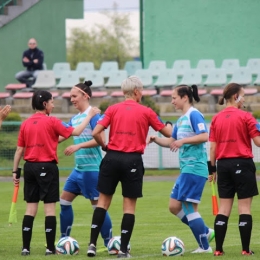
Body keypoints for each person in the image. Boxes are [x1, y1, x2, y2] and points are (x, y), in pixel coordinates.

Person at [86, 76, 172, 258]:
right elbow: (168, 132)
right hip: (132, 160)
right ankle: (123, 251)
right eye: (141, 91)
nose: (142, 93)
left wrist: (105, 146)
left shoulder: (112, 109)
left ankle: (92, 245)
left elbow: (95, 131)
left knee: (102, 203)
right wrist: (173, 126)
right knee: (129, 207)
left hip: (111, 157)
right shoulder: (146, 111)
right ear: (136, 91)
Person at [12, 90, 100, 256]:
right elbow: (76, 131)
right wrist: (90, 116)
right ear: (45, 104)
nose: (53, 105)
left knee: (30, 209)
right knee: (49, 209)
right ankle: (50, 248)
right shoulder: (52, 121)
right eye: (52, 102)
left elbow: (19, 150)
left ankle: (25, 248)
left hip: (29, 168)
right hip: (47, 167)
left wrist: (16, 171)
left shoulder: (25, 123)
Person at [148, 84, 214, 254]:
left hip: (194, 169)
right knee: (174, 206)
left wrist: (183, 141)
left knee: (189, 208)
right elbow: (172, 141)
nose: (172, 101)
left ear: (185, 97)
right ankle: (205, 231)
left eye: (174, 98)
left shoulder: (194, 115)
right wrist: (156, 139)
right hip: (186, 170)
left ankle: (205, 247)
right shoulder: (181, 119)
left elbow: (205, 136)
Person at [59, 81, 112, 250]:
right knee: (64, 202)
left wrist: (79, 145)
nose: (71, 99)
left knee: (98, 208)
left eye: (74, 96)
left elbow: (101, 140)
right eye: (70, 96)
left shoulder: (94, 115)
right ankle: (63, 241)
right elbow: (61, 135)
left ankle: (109, 242)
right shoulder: (74, 119)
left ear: (85, 96)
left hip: (92, 170)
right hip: (78, 170)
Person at [208, 83, 260, 256]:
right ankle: (245, 250)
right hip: (242, 164)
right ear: (236, 96)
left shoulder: (216, 118)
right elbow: (258, 142)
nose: (244, 98)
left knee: (224, 209)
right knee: (244, 208)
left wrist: (212, 170)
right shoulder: (246, 117)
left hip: (223, 166)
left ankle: (218, 250)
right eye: (242, 95)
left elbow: (212, 148)